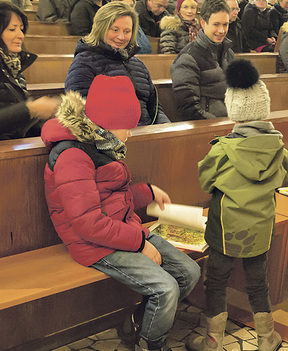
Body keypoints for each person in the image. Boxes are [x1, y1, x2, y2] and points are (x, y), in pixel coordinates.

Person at [42, 75, 201, 351]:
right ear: (107, 122)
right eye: (127, 126)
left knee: (189, 271)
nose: (130, 133)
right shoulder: (73, 155)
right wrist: (140, 244)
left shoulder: (101, 143)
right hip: (93, 244)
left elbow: (112, 196)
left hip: (120, 231)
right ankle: (151, 344)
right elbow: (88, 224)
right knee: (166, 288)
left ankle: (140, 323)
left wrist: (147, 192)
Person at [189, 59, 288, 351]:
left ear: (233, 109)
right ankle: (266, 338)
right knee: (258, 283)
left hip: (226, 228)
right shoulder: (278, 148)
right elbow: (282, 179)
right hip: (260, 226)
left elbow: (206, 182)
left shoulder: (222, 149)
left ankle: (212, 341)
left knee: (217, 281)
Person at [65, 1, 170, 125]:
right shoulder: (84, 63)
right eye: (115, 30)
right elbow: (81, 114)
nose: (121, 37)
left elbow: (155, 107)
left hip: (146, 134)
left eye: (127, 31)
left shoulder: (138, 64)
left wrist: (165, 130)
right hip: (111, 138)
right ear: (101, 29)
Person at [0, 3, 60, 140]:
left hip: (13, 144)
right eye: (12, 29)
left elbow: (20, 126)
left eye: (21, 29)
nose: (20, 35)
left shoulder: (13, 65)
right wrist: (31, 109)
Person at [170, 0, 234, 120]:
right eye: (216, 24)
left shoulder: (228, 53)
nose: (221, 30)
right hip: (209, 128)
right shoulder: (188, 58)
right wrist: (222, 125)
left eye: (225, 24)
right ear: (203, 23)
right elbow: (189, 110)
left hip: (232, 123)